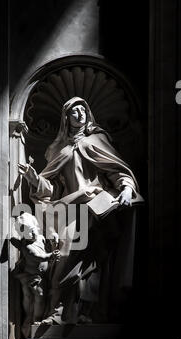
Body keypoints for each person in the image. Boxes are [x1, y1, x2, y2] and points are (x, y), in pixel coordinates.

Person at [17, 97, 141, 325]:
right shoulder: (58, 149)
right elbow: (51, 187)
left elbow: (116, 170)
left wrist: (126, 188)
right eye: (74, 111)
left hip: (95, 206)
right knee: (63, 257)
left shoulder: (97, 139)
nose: (80, 114)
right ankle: (59, 312)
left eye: (83, 109)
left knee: (89, 260)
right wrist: (35, 180)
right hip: (68, 208)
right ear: (66, 118)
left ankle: (82, 312)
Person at [10, 213, 60, 336]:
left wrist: (54, 238)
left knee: (41, 297)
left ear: (36, 227)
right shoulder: (28, 248)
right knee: (38, 297)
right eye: (27, 235)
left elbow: (47, 243)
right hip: (33, 277)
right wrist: (51, 256)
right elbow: (40, 257)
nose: (31, 235)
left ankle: (36, 318)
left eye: (32, 231)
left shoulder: (40, 238)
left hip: (43, 276)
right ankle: (34, 320)